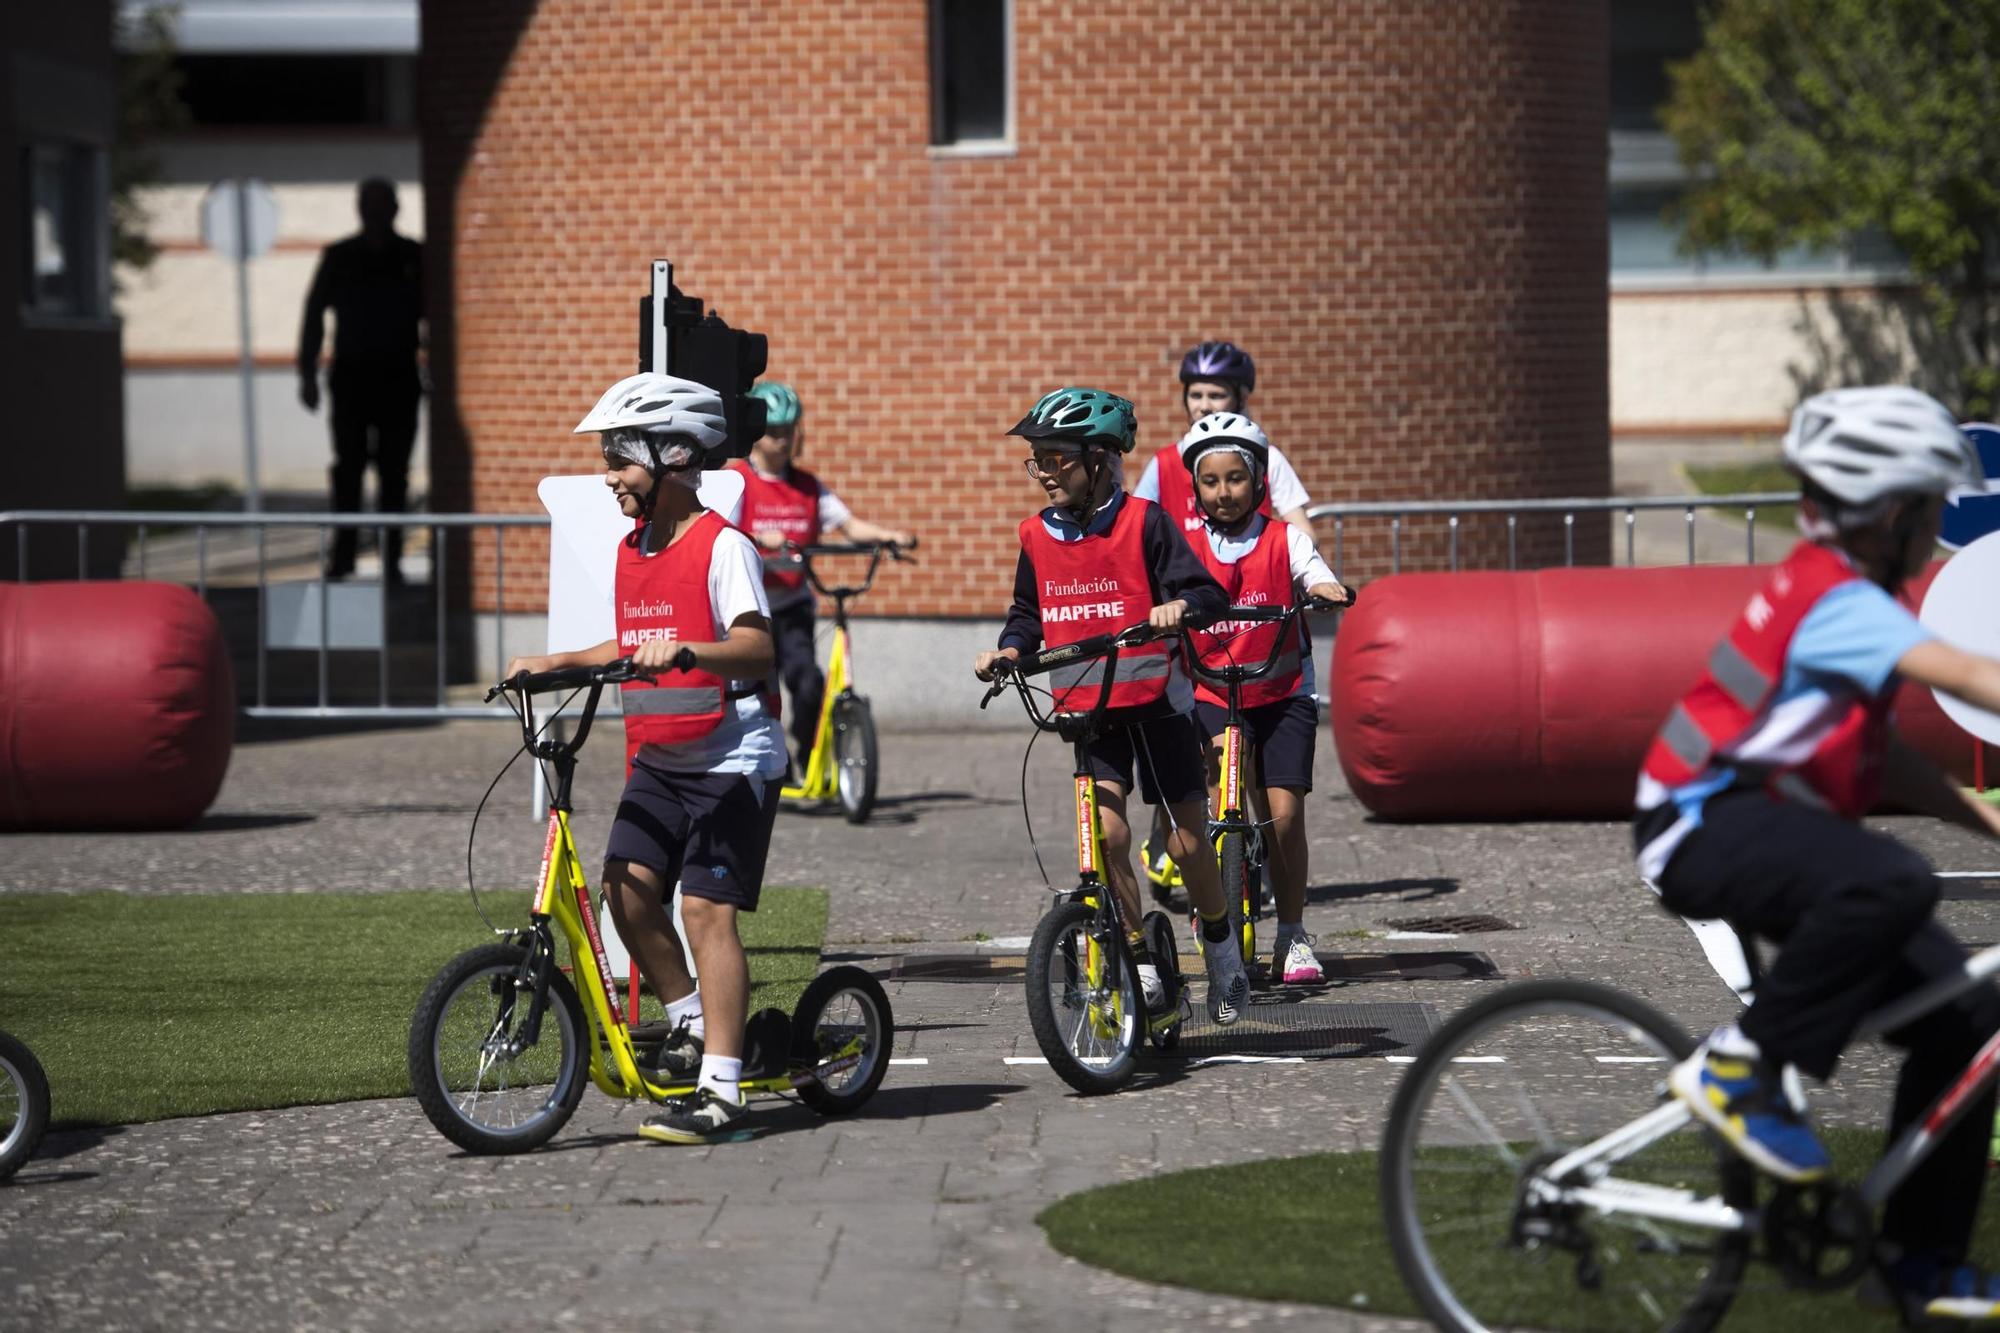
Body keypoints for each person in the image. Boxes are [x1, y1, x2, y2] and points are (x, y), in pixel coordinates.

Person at [1636, 386, 2000, 1320]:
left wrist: (1992, 827)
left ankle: (1919, 1261)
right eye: (1935, 508)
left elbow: (1893, 763)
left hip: (1759, 819)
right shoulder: (1838, 599)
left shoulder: (1850, 591)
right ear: (1893, 513)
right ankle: (1739, 1065)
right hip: (1700, 818)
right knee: (1893, 877)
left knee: (1968, 1017)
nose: (1940, 529)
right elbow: (1970, 676)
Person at [504, 372, 783, 1145]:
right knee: (626, 894)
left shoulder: (723, 547)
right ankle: (691, 1022)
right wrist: (552, 663)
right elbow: (627, 647)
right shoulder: (634, 552)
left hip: (732, 757)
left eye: (620, 458)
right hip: (662, 759)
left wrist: (694, 648)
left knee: (703, 911)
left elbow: (759, 647)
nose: (609, 475)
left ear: (673, 455)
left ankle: (723, 1093)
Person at [972, 387, 1251, 1026]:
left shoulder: (1147, 522)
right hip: (1087, 706)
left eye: (1055, 459)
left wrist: (1179, 606)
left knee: (1184, 843)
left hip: (1156, 705)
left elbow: (1207, 595)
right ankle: (1140, 963)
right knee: (1108, 834)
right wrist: (1010, 650)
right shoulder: (1036, 535)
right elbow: (1027, 614)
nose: (1042, 471)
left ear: (1099, 460)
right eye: (1036, 460)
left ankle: (1220, 946)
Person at [1177, 413, 1350, 984]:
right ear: (1196, 487)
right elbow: (1156, 590)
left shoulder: (1285, 538)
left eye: (1235, 479)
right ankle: (1214, 903)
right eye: (1211, 481)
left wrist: (1324, 588)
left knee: (1284, 817)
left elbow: (1313, 570)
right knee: (1214, 802)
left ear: (1257, 482)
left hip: (1281, 692)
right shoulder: (1184, 545)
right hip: (1213, 690)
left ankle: (1293, 935)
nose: (1223, 492)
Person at [1135, 340, 1314, 893]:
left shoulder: (1262, 455)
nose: (1206, 404)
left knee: (1259, 776)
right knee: (1185, 743)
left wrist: (1308, 574)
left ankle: (1251, 856)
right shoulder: (1165, 465)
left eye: (1218, 394)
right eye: (1197, 394)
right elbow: (1134, 540)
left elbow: (1298, 523)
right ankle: (1173, 834)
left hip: (1255, 622)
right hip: (1186, 624)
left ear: (1240, 397)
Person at [727, 381, 914, 774]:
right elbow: (716, 531)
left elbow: (847, 525)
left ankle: (808, 753)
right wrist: (760, 537)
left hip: (794, 606)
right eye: (774, 432)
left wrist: (889, 536)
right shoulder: (737, 482)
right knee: (757, 693)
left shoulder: (808, 487)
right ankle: (763, 765)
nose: (783, 440)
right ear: (756, 436)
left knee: (808, 683)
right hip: (750, 609)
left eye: (789, 430)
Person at [296, 177, 425, 583]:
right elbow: (314, 315)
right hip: (351, 379)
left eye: (382, 204)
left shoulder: (413, 257)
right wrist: (307, 373)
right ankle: (344, 557)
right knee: (348, 470)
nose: (375, 212)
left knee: (394, 475)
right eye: (368, 205)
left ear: (394, 209)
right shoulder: (341, 257)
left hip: (399, 378)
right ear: (359, 210)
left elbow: (440, 315)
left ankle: (391, 561)